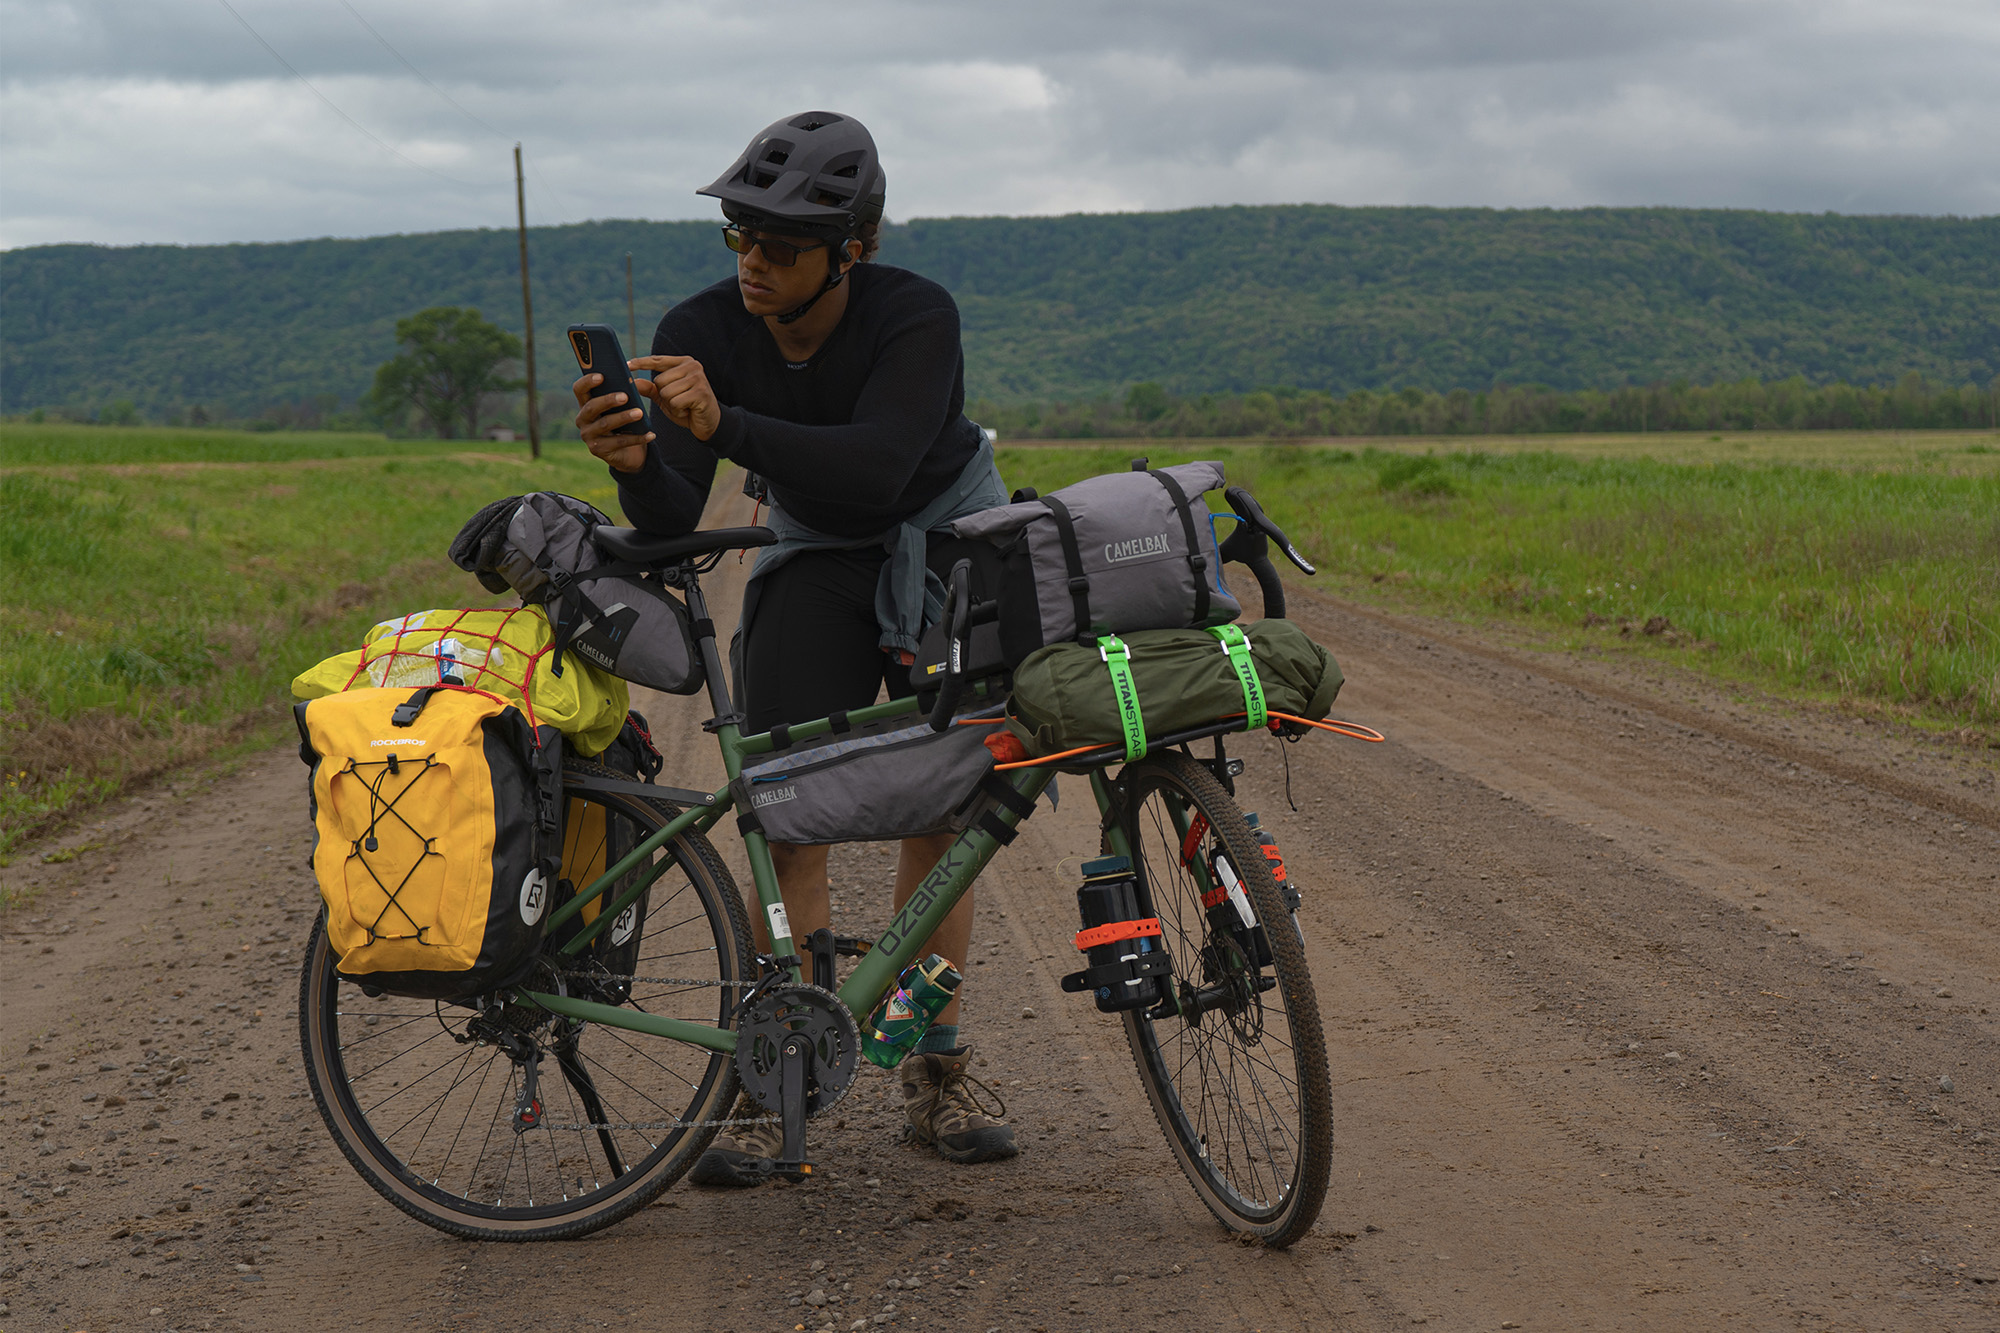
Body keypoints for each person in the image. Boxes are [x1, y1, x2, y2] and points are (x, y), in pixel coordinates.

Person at [572, 111, 1016, 1184]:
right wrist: (634, 458)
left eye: (777, 247)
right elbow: (677, 514)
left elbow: (873, 466)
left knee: (950, 815)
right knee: (787, 812)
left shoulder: (916, 314)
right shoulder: (703, 326)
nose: (751, 264)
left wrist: (724, 428)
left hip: (939, 534)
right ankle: (780, 1081)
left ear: (850, 250)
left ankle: (927, 1063)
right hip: (810, 547)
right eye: (737, 237)